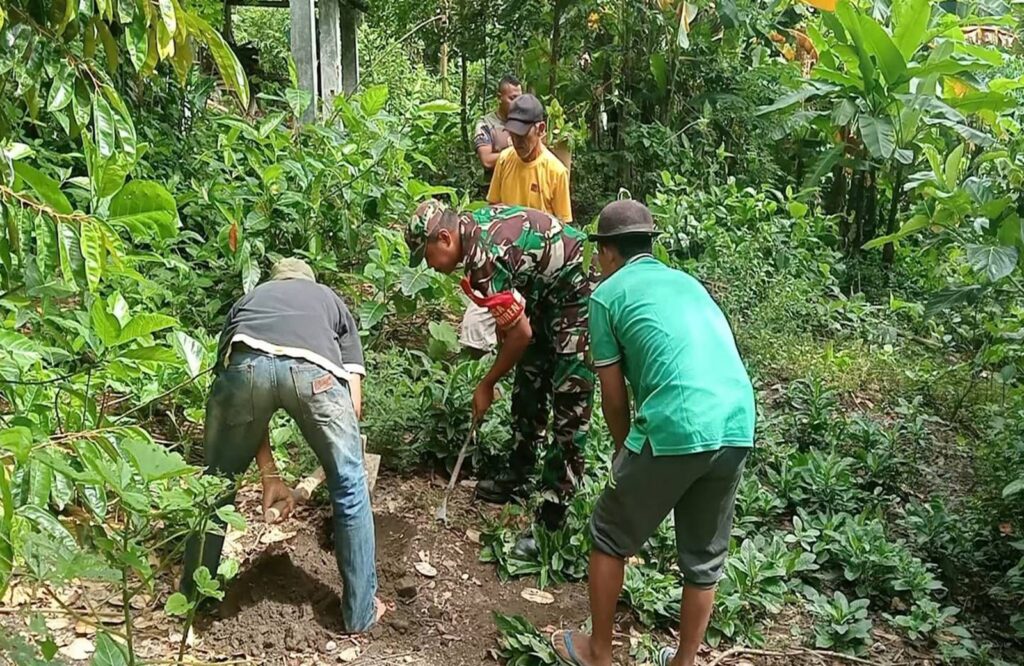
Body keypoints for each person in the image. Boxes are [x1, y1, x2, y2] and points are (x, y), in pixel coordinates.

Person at [550, 201, 755, 666]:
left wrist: (626, 454)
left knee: (607, 535)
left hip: (678, 420)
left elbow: (614, 397)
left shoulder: (607, 294)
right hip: (738, 420)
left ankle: (598, 653)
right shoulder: (686, 282)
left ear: (606, 251)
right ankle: (683, 662)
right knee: (704, 560)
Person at [181, 258, 381, 633]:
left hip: (246, 369)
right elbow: (352, 404)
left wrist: (268, 473)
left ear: (276, 282)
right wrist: (341, 457)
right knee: (351, 488)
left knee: (216, 483)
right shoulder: (330, 300)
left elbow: (244, 389)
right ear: (309, 281)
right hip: (316, 375)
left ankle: (192, 601)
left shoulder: (249, 300)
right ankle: (361, 614)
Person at [406, 201, 595, 556]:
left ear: (444, 238)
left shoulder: (482, 258)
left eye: (427, 255)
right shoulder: (472, 229)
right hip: (545, 295)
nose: (430, 266)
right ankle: (520, 472)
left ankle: (552, 521)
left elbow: (520, 334)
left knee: (570, 400)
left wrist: (487, 382)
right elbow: (512, 321)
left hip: (579, 293)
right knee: (529, 379)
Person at [487, 93, 572, 224]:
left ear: (541, 129)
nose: (516, 142)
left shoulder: (556, 172)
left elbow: (563, 227)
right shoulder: (504, 159)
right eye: (512, 135)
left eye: (522, 136)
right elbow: (493, 207)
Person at [473, 74, 523, 177]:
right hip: (496, 187)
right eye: (512, 98)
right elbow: (487, 160)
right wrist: (519, 152)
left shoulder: (524, 121)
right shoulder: (485, 124)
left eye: (520, 99)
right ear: (499, 98)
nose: (517, 104)